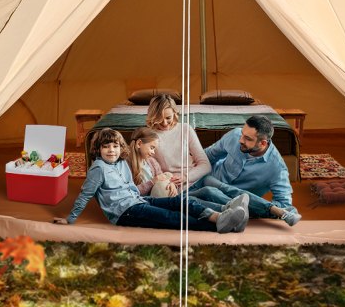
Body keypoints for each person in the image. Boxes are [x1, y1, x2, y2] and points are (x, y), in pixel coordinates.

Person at [53, 128, 248, 233]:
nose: (111, 150)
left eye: (115, 146)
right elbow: (85, 194)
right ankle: (220, 225)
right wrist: (70, 220)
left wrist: (150, 195)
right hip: (124, 212)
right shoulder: (98, 169)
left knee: (179, 201)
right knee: (171, 218)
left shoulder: (121, 163)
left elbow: (131, 188)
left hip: (137, 201)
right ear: (98, 149)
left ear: (121, 148)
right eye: (106, 147)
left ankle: (219, 217)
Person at [189, 115, 301, 226]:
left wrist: (253, 207)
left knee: (207, 193)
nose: (240, 140)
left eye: (248, 138)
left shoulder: (277, 168)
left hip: (229, 201)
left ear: (262, 143)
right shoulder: (235, 135)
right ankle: (267, 210)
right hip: (203, 182)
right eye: (243, 134)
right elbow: (209, 154)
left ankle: (235, 208)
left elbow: (284, 203)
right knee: (207, 185)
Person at [146, 94, 210, 189]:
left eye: (168, 118)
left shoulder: (185, 129)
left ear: (175, 114)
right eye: (159, 119)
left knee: (217, 187)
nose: (164, 123)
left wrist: (186, 177)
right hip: (171, 185)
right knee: (208, 192)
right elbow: (150, 170)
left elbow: (205, 165)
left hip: (193, 177)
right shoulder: (149, 136)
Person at [127, 127, 175, 198]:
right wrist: (152, 182)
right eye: (152, 148)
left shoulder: (152, 161)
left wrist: (171, 184)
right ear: (139, 143)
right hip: (143, 200)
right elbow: (129, 192)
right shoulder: (126, 164)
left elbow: (162, 177)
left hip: (157, 196)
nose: (153, 152)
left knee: (168, 175)